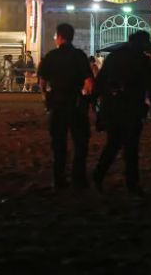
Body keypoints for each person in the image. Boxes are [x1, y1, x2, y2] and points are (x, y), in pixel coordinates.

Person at [92, 31, 151, 196]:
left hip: (112, 108)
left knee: (113, 144)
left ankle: (99, 175)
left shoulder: (114, 58)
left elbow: (100, 81)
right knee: (131, 149)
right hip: (132, 109)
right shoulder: (144, 62)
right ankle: (132, 184)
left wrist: (95, 102)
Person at [37, 24, 94, 189]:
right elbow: (89, 82)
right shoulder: (79, 56)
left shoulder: (51, 56)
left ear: (59, 36)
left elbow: (42, 82)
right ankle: (79, 178)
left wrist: (46, 99)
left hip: (57, 103)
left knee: (58, 143)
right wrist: (86, 100)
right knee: (81, 142)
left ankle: (59, 178)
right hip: (76, 103)